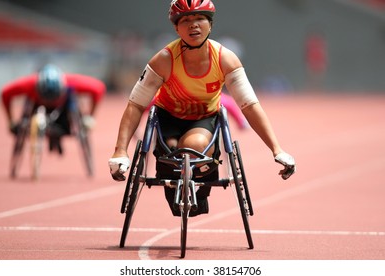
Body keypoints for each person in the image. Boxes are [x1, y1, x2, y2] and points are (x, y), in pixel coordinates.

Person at [108, 0, 296, 216]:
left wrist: (277, 149)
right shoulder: (163, 60)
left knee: (193, 146)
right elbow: (136, 105)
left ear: (210, 24)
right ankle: (176, 189)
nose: (193, 25)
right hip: (167, 118)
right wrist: (120, 151)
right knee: (171, 152)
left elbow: (250, 105)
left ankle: (201, 188)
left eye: (199, 18)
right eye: (186, 20)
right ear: (176, 28)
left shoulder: (225, 59)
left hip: (204, 120)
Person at [1, 64, 106, 154]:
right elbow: (5, 93)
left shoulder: (71, 82)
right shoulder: (29, 84)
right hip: (37, 105)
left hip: (63, 109)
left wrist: (90, 117)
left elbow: (99, 88)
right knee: (25, 117)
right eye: (47, 97)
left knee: (72, 101)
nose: (50, 101)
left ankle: (59, 131)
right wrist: (11, 121)